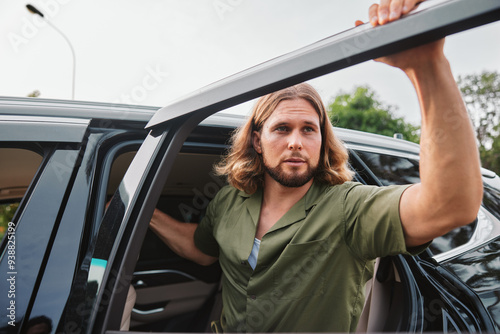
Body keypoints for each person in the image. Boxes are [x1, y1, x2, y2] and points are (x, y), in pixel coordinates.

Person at [149, 0, 483, 332]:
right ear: (256, 141)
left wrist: (426, 65)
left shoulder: (349, 208)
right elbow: (202, 248)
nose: (296, 141)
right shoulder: (229, 200)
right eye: (282, 129)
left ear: (322, 141)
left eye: (309, 129)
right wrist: (136, 209)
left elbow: (450, 205)